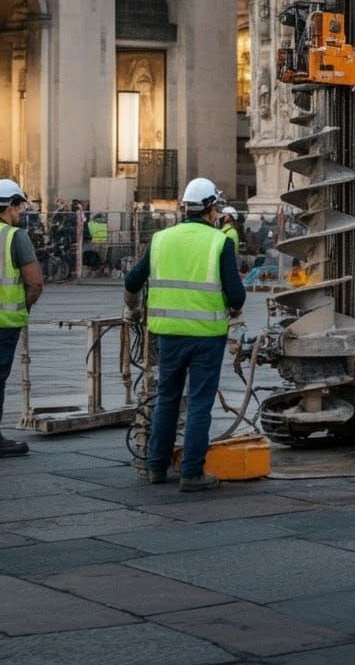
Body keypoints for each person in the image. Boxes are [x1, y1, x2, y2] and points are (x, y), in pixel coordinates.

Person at [123, 177, 245, 492]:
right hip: (206, 336)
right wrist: (232, 307)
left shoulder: (161, 239)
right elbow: (236, 296)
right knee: (200, 404)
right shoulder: (221, 242)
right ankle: (191, 473)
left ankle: (157, 466)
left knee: (166, 399)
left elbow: (133, 280)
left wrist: (132, 310)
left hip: (168, 336)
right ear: (210, 208)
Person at [0, 180, 43, 457]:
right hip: (4, 324)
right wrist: (22, 308)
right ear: (11, 206)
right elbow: (35, 282)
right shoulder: (16, 237)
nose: (20, 213)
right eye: (19, 207)